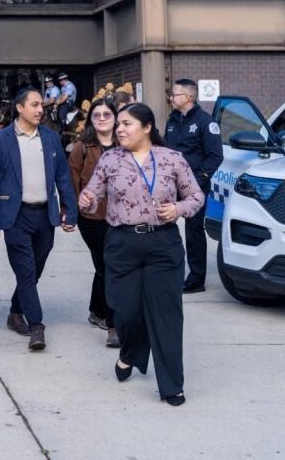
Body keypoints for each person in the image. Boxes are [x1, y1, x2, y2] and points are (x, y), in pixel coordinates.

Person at [77, 103, 203, 406]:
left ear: (147, 127)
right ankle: (131, 351)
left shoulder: (172, 159)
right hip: (122, 244)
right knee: (124, 309)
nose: (119, 129)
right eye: (118, 124)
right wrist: (87, 200)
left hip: (163, 245)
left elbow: (196, 196)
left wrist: (179, 209)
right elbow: (94, 195)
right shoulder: (110, 160)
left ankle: (172, 385)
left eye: (127, 124)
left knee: (166, 315)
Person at [0, 87, 78, 351]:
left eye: (41, 106)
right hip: (15, 216)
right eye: (34, 105)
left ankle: (15, 311)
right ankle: (36, 326)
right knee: (25, 272)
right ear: (19, 108)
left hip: (45, 215)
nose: (40, 110)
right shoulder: (1, 140)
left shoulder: (50, 138)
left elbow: (62, 177)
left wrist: (70, 210)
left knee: (33, 271)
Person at [68, 98, 120, 348]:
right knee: (107, 265)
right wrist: (74, 208)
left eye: (106, 114)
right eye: (96, 115)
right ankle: (113, 324)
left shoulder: (126, 145)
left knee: (105, 267)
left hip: (122, 216)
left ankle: (95, 310)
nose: (101, 118)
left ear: (115, 117)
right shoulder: (83, 147)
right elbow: (72, 180)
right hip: (93, 218)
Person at [164, 78, 223, 293]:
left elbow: (215, 156)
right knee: (164, 226)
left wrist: (198, 180)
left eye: (175, 94)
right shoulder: (172, 120)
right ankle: (167, 273)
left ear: (188, 97)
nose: (171, 98)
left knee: (194, 231)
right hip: (169, 184)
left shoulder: (206, 122)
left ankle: (196, 280)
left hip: (195, 185)